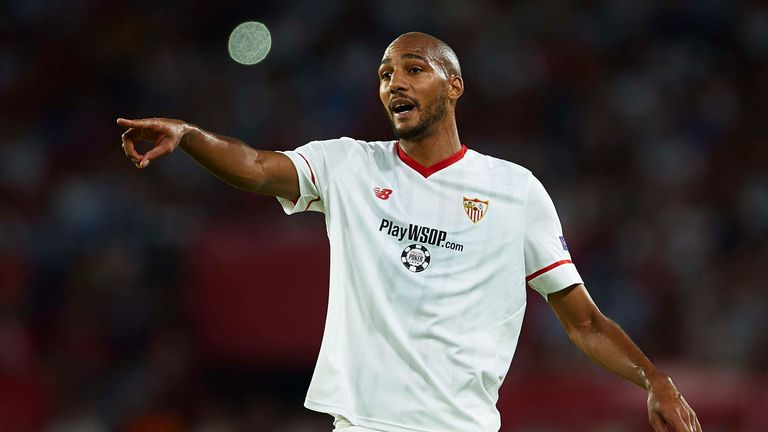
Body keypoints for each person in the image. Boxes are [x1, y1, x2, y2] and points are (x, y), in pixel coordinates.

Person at [118, 32, 701, 432]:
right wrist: (190, 136)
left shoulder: (515, 191)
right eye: (385, 74)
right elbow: (255, 166)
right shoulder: (346, 165)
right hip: (365, 422)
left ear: (454, 86)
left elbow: (585, 321)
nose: (394, 83)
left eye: (413, 70)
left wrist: (654, 379)